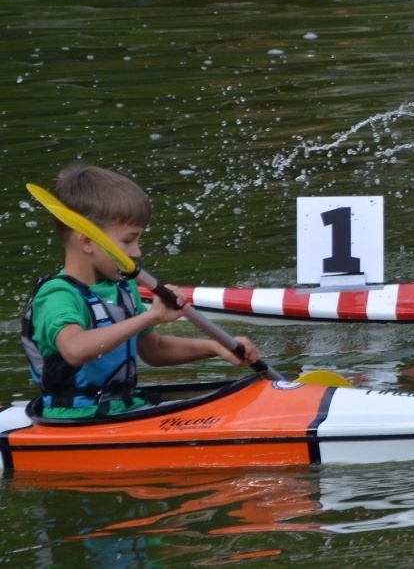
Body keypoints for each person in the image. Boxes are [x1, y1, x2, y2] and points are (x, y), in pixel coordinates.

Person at [20, 164, 261, 419]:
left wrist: (216, 347)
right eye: (128, 240)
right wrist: (150, 316)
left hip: (125, 409)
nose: (137, 252)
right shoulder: (58, 295)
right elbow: (74, 349)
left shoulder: (123, 288)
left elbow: (154, 350)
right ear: (88, 241)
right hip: (76, 419)